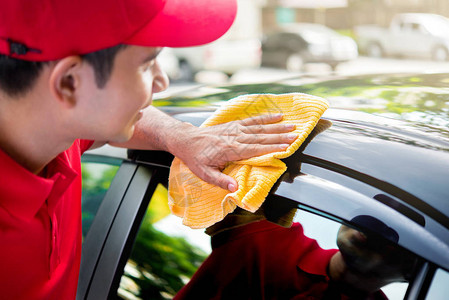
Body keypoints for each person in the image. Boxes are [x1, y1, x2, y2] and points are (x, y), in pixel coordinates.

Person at [0, 0, 298, 299]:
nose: (162, 81)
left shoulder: (57, 134)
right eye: (146, 63)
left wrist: (181, 137)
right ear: (69, 83)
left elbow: (130, 120)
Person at [174, 212, 418, 300]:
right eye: (371, 211)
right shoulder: (264, 232)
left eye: (397, 232)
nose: (374, 223)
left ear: (413, 271)